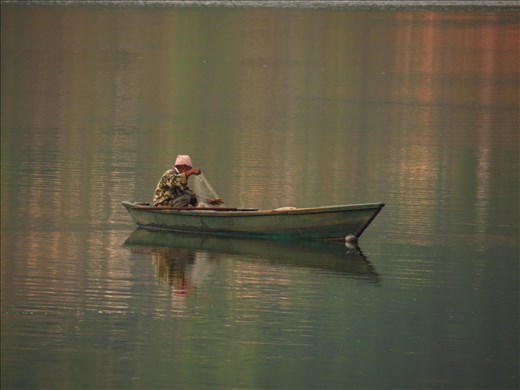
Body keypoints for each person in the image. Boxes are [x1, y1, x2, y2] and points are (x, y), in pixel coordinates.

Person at [152, 155, 223, 207]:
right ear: (183, 167)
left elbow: (192, 195)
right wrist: (191, 172)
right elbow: (174, 180)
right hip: (161, 204)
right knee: (185, 198)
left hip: (171, 202)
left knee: (188, 194)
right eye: (189, 168)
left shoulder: (181, 178)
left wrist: (210, 201)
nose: (189, 171)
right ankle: (175, 216)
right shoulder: (170, 173)